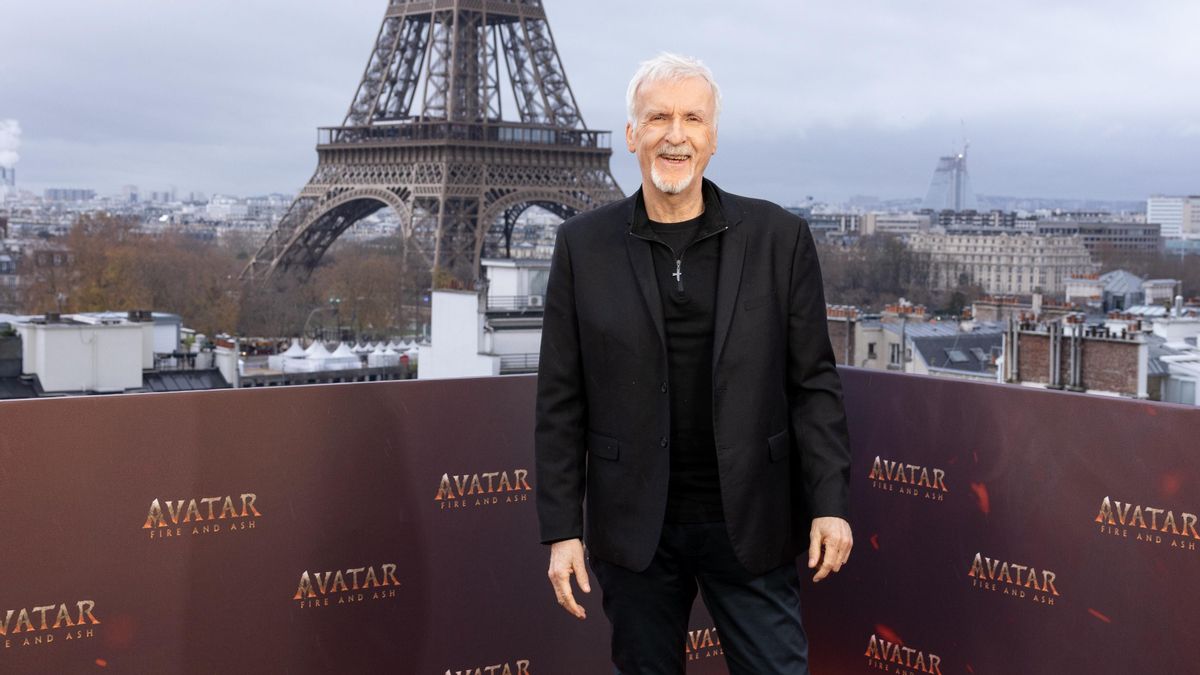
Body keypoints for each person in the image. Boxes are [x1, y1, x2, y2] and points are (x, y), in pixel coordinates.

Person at [534, 52, 853, 675]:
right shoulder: (582, 245)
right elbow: (559, 399)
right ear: (632, 135)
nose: (674, 134)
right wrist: (561, 529)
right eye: (657, 118)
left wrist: (830, 502)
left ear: (712, 138)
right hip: (634, 531)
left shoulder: (779, 238)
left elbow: (813, 383)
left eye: (692, 119)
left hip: (753, 520)